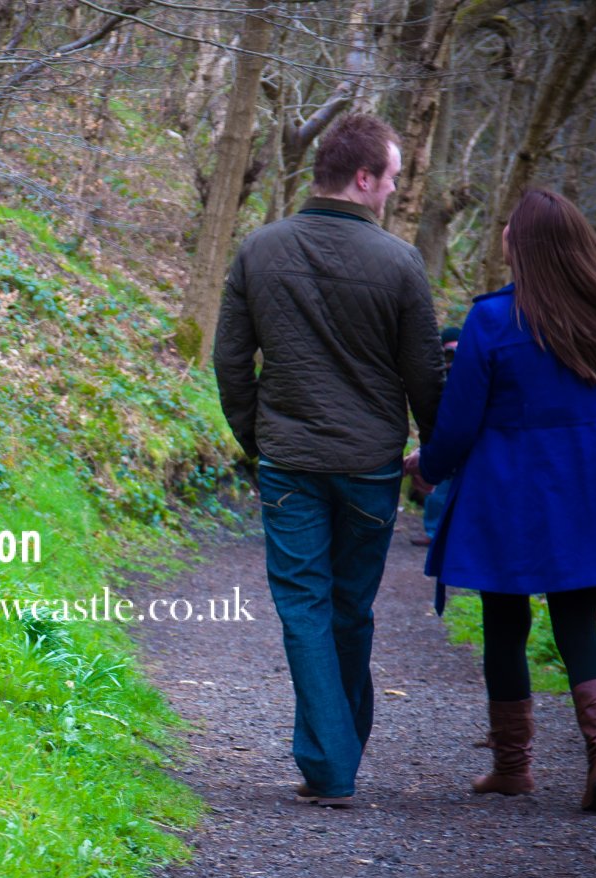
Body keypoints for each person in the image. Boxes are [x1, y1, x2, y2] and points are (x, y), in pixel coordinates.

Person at [405, 187, 596, 813]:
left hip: (509, 494)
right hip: (592, 491)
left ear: (521, 245)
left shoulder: (493, 320)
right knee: (577, 625)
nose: (502, 234)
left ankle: (513, 768)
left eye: (508, 228)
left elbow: (460, 420)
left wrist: (429, 468)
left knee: (505, 625)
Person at [214, 114, 445, 807]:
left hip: (291, 460)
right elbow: (425, 376)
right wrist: (435, 453)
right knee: (348, 607)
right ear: (364, 177)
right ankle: (335, 759)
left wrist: (258, 440)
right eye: (392, 178)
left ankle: (330, 760)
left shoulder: (259, 248)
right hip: (369, 466)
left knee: (305, 608)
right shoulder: (400, 263)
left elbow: (230, 362)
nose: (394, 190)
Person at [413, 326, 461, 546]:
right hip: (442, 441)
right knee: (437, 491)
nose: (452, 358)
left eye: (457, 351)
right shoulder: (436, 378)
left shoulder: (472, 373)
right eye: (448, 352)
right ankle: (433, 532)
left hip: (464, 442)